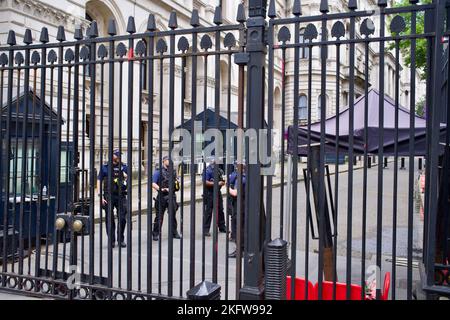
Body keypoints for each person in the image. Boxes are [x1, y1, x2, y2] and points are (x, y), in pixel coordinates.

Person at [97, 149, 128, 248]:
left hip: (121, 195)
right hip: (108, 196)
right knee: (109, 219)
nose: (119, 157)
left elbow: (127, 182)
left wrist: (126, 177)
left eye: (120, 155)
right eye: (117, 155)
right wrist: (100, 196)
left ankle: (121, 239)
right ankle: (112, 240)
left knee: (122, 218)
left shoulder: (124, 167)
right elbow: (99, 181)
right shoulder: (105, 167)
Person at [151, 156, 181, 241]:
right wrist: (161, 189)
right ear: (164, 161)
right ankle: (156, 233)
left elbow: (176, 182)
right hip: (162, 196)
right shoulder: (158, 171)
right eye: (168, 160)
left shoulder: (173, 172)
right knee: (159, 216)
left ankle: (174, 232)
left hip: (172, 195)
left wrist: (177, 184)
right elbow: (153, 183)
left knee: (172, 215)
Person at [203, 158, 227, 237]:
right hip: (210, 193)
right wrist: (217, 183)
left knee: (220, 210)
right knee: (209, 211)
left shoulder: (219, 170)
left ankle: (222, 227)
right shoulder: (208, 170)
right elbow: (205, 182)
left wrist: (222, 183)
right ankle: (206, 230)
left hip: (217, 192)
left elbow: (223, 180)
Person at [227, 163, 246, 258]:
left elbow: (235, 193)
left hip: (239, 206)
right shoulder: (247, 177)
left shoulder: (240, 179)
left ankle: (240, 250)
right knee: (242, 227)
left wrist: (228, 188)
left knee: (238, 229)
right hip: (244, 206)